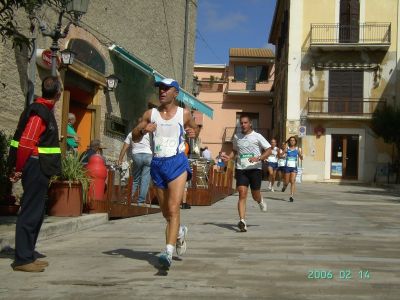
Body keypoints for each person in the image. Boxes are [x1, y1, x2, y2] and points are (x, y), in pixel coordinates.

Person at [132, 78, 198, 269]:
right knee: (165, 213)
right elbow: (135, 137)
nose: (162, 91)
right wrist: (143, 129)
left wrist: (194, 134)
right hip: (158, 163)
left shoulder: (184, 114)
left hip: (177, 162)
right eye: (160, 88)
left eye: (166, 89)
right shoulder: (150, 113)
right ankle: (179, 233)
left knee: (174, 207)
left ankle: (168, 252)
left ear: (175, 93)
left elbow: (194, 129)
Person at [8, 76, 62, 272]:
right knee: (30, 211)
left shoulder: (43, 110)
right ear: (58, 94)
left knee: (37, 213)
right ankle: (22, 259)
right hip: (34, 166)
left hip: (39, 167)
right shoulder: (39, 112)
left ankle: (29, 254)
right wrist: (19, 169)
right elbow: (26, 143)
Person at [221, 114, 272, 232]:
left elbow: (269, 150)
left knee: (255, 195)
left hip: (255, 169)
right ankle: (242, 221)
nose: (243, 125)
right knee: (242, 193)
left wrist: (258, 158)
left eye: (245, 123)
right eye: (241, 123)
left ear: (250, 124)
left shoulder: (257, 136)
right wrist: (229, 158)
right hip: (241, 169)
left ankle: (260, 201)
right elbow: (234, 151)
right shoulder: (237, 137)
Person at [118, 121, 152, 206]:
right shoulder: (147, 134)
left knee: (135, 179)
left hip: (137, 156)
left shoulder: (131, 134)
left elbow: (125, 147)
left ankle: (128, 199)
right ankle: (140, 202)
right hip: (148, 155)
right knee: (145, 180)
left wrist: (120, 159)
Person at [281, 136, 303, 202]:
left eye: (293, 140)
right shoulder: (287, 149)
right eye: (291, 140)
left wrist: (301, 156)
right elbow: (280, 155)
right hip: (287, 167)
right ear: (289, 142)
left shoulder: (297, 149)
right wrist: (282, 155)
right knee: (287, 182)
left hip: (294, 168)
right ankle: (284, 186)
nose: (292, 141)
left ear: (295, 142)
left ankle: (291, 196)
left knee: (292, 181)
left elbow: (301, 158)